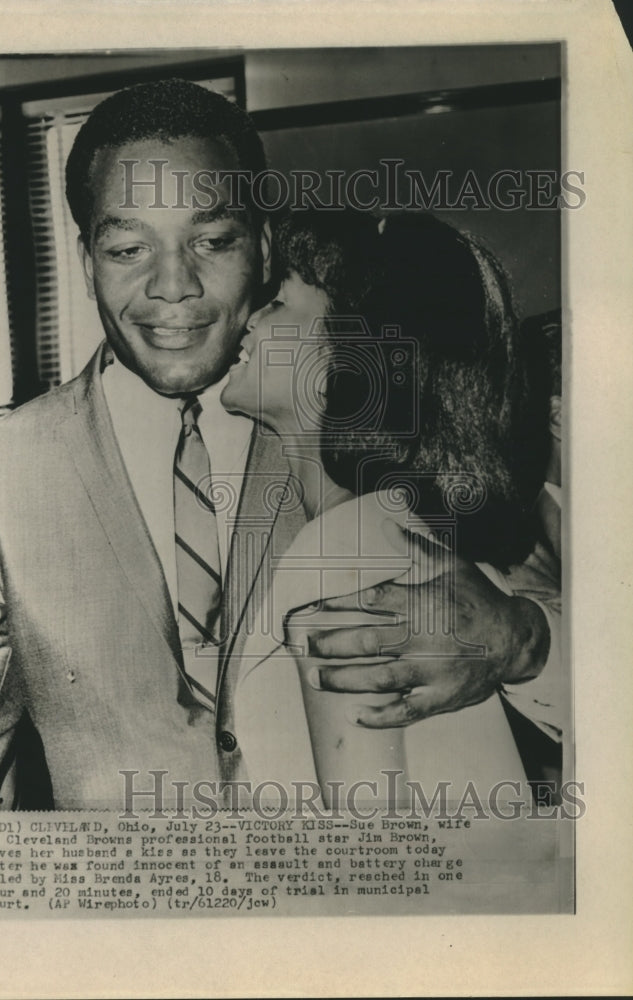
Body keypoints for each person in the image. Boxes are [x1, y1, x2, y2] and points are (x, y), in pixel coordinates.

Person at [0, 78, 559, 811]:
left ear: (264, 245)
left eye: (211, 240)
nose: (171, 286)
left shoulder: (383, 451)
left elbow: (554, 624)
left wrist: (524, 640)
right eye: (125, 247)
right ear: (85, 264)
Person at [221, 209, 563, 803]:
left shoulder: (347, 547)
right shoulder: (405, 530)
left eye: (278, 301)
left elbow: (374, 866)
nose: (248, 317)